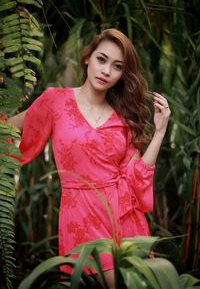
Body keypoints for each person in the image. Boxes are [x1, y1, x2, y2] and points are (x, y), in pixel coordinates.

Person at [2, 28, 170, 288]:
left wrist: (159, 132)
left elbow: (137, 179)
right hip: (77, 217)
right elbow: (7, 131)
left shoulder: (123, 120)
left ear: (122, 74)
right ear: (87, 58)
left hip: (122, 220)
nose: (106, 71)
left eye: (117, 66)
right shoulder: (54, 101)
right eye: (101, 59)